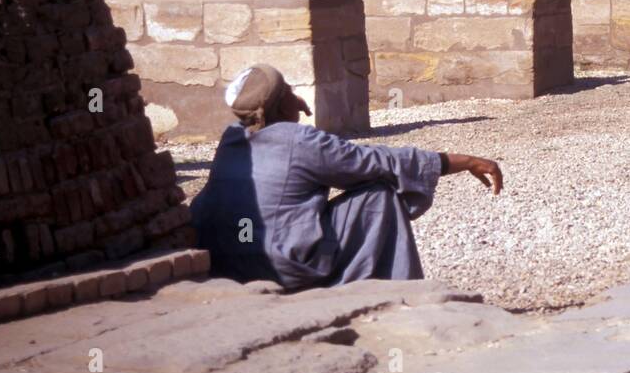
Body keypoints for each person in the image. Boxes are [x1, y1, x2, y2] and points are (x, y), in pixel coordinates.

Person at [189, 63, 503, 290]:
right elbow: (375, 162)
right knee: (379, 193)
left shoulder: (231, 138)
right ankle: (397, 294)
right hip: (281, 265)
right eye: (288, 90)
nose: (295, 94)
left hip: (231, 262)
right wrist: (464, 161)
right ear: (279, 102)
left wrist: (284, 109)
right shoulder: (299, 140)